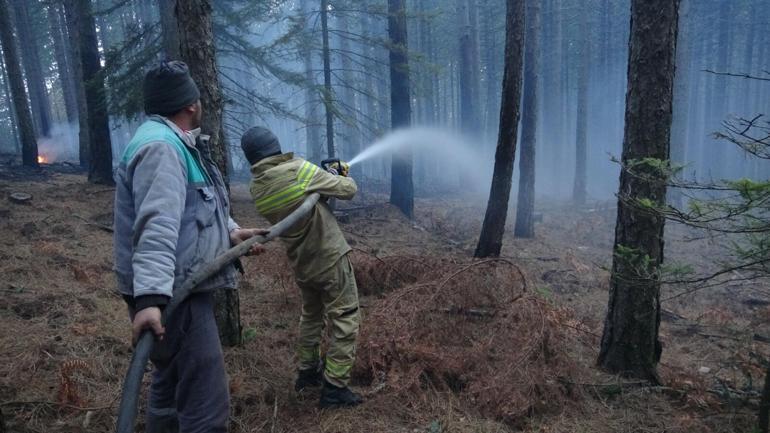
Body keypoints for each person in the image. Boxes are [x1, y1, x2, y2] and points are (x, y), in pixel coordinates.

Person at [113, 61, 265, 433]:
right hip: (175, 292)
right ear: (192, 104)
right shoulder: (162, 149)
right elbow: (157, 226)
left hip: (172, 288)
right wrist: (151, 300)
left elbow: (190, 210)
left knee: (171, 382)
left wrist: (230, 232)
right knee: (206, 404)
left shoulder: (169, 143)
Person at [240, 127, 363, 408]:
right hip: (329, 257)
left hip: (302, 263)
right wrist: (338, 176)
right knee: (345, 319)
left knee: (311, 316)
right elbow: (349, 190)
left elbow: (301, 203)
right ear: (276, 146)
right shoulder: (298, 170)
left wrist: (321, 186)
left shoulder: (257, 187)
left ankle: (307, 374)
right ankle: (335, 388)